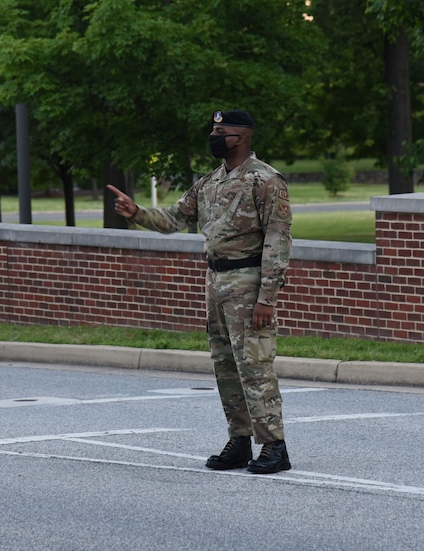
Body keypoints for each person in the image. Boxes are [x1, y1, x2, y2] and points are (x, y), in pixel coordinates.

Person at [106, 109, 292, 474]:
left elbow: (277, 240)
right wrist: (136, 213)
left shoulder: (266, 181)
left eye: (221, 130)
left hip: (248, 282)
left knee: (255, 366)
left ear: (243, 137)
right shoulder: (209, 183)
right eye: (213, 129)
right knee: (225, 366)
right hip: (216, 283)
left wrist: (267, 298)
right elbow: (176, 217)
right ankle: (239, 441)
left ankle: (273, 445)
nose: (214, 135)